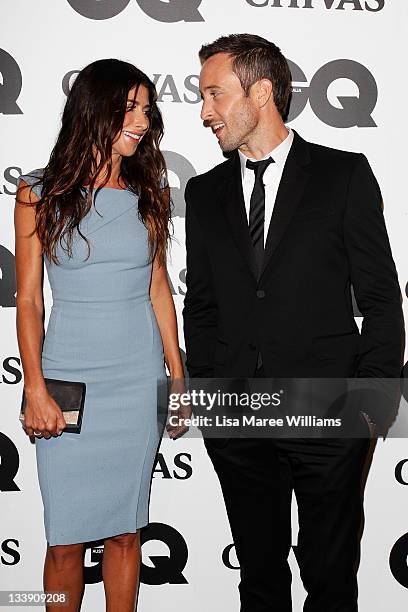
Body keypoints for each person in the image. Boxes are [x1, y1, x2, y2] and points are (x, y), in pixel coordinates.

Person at [183, 34, 405, 612]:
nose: (204, 111)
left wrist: (373, 399)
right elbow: (201, 306)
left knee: (331, 584)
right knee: (259, 582)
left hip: (330, 415)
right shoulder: (204, 193)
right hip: (239, 419)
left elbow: (381, 298)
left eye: (214, 94)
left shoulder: (343, 175)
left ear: (261, 92)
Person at [15, 58, 185, 612]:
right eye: (128, 108)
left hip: (136, 383)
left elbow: (159, 288)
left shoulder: (147, 192)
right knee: (63, 542)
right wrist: (34, 386)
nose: (140, 120)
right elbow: (30, 300)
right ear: (95, 110)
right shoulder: (37, 192)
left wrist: (177, 377)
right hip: (67, 384)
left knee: (126, 534)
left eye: (145, 109)